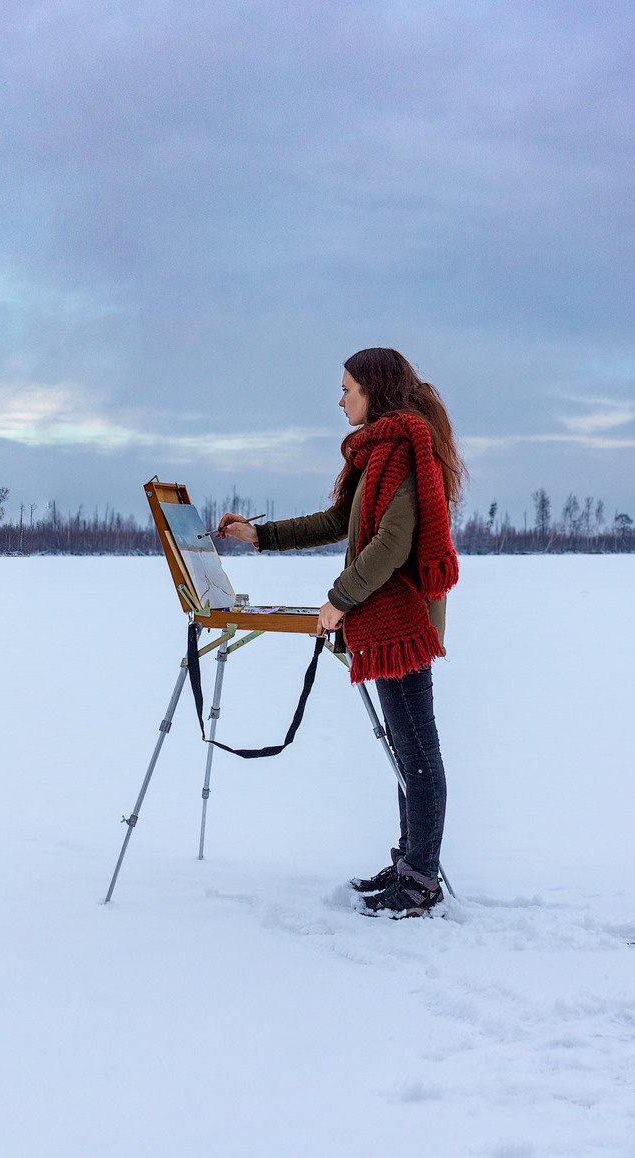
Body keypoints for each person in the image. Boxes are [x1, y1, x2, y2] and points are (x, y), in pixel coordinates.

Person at [214, 348, 464, 917]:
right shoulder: (377, 453)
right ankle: (412, 863)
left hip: (403, 620)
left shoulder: (403, 450)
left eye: (348, 388)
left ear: (374, 389)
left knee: (417, 747)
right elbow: (337, 520)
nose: (341, 399)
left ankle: (421, 880)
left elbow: (392, 543)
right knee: (406, 746)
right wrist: (260, 535)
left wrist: (339, 598)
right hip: (388, 618)